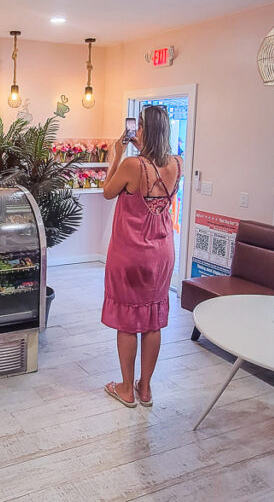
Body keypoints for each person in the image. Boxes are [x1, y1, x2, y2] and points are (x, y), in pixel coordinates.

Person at [100, 105, 181, 407]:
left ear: (143, 130)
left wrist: (115, 156)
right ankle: (145, 389)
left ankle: (125, 388)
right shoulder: (177, 163)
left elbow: (109, 191)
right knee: (152, 321)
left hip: (130, 252)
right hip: (162, 253)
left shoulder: (132, 164)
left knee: (127, 319)